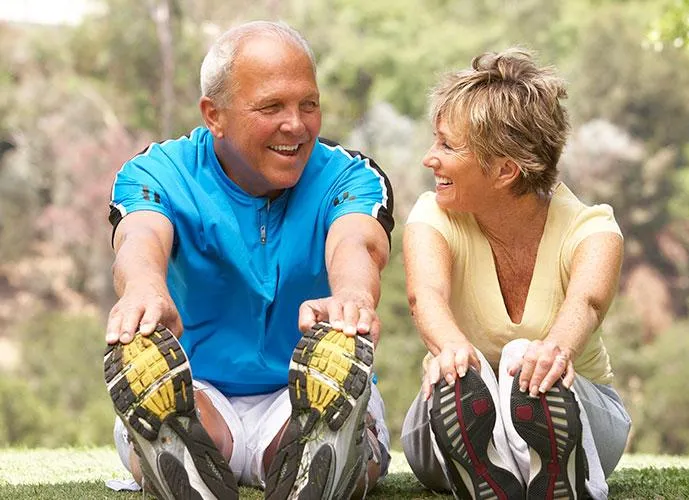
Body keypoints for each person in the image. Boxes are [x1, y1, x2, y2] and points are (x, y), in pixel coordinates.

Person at [103, 20, 394, 500]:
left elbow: (356, 243)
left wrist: (353, 296)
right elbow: (139, 236)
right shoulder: (157, 171)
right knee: (190, 416)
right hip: (199, 388)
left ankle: (327, 448)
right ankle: (173, 442)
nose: (296, 125)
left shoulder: (350, 176)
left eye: (308, 104)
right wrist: (144, 289)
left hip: (304, 392)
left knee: (309, 428)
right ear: (213, 115)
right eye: (271, 107)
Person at [400, 48, 631, 500]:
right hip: (444, 410)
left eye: (448, 145)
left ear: (505, 170)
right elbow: (424, 295)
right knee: (468, 377)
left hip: (583, 412)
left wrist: (552, 353)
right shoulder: (434, 216)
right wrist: (451, 351)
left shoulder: (592, 229)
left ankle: (545, 454)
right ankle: (495, 456)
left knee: (521, 361)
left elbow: (586, 303)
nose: (430, 159)